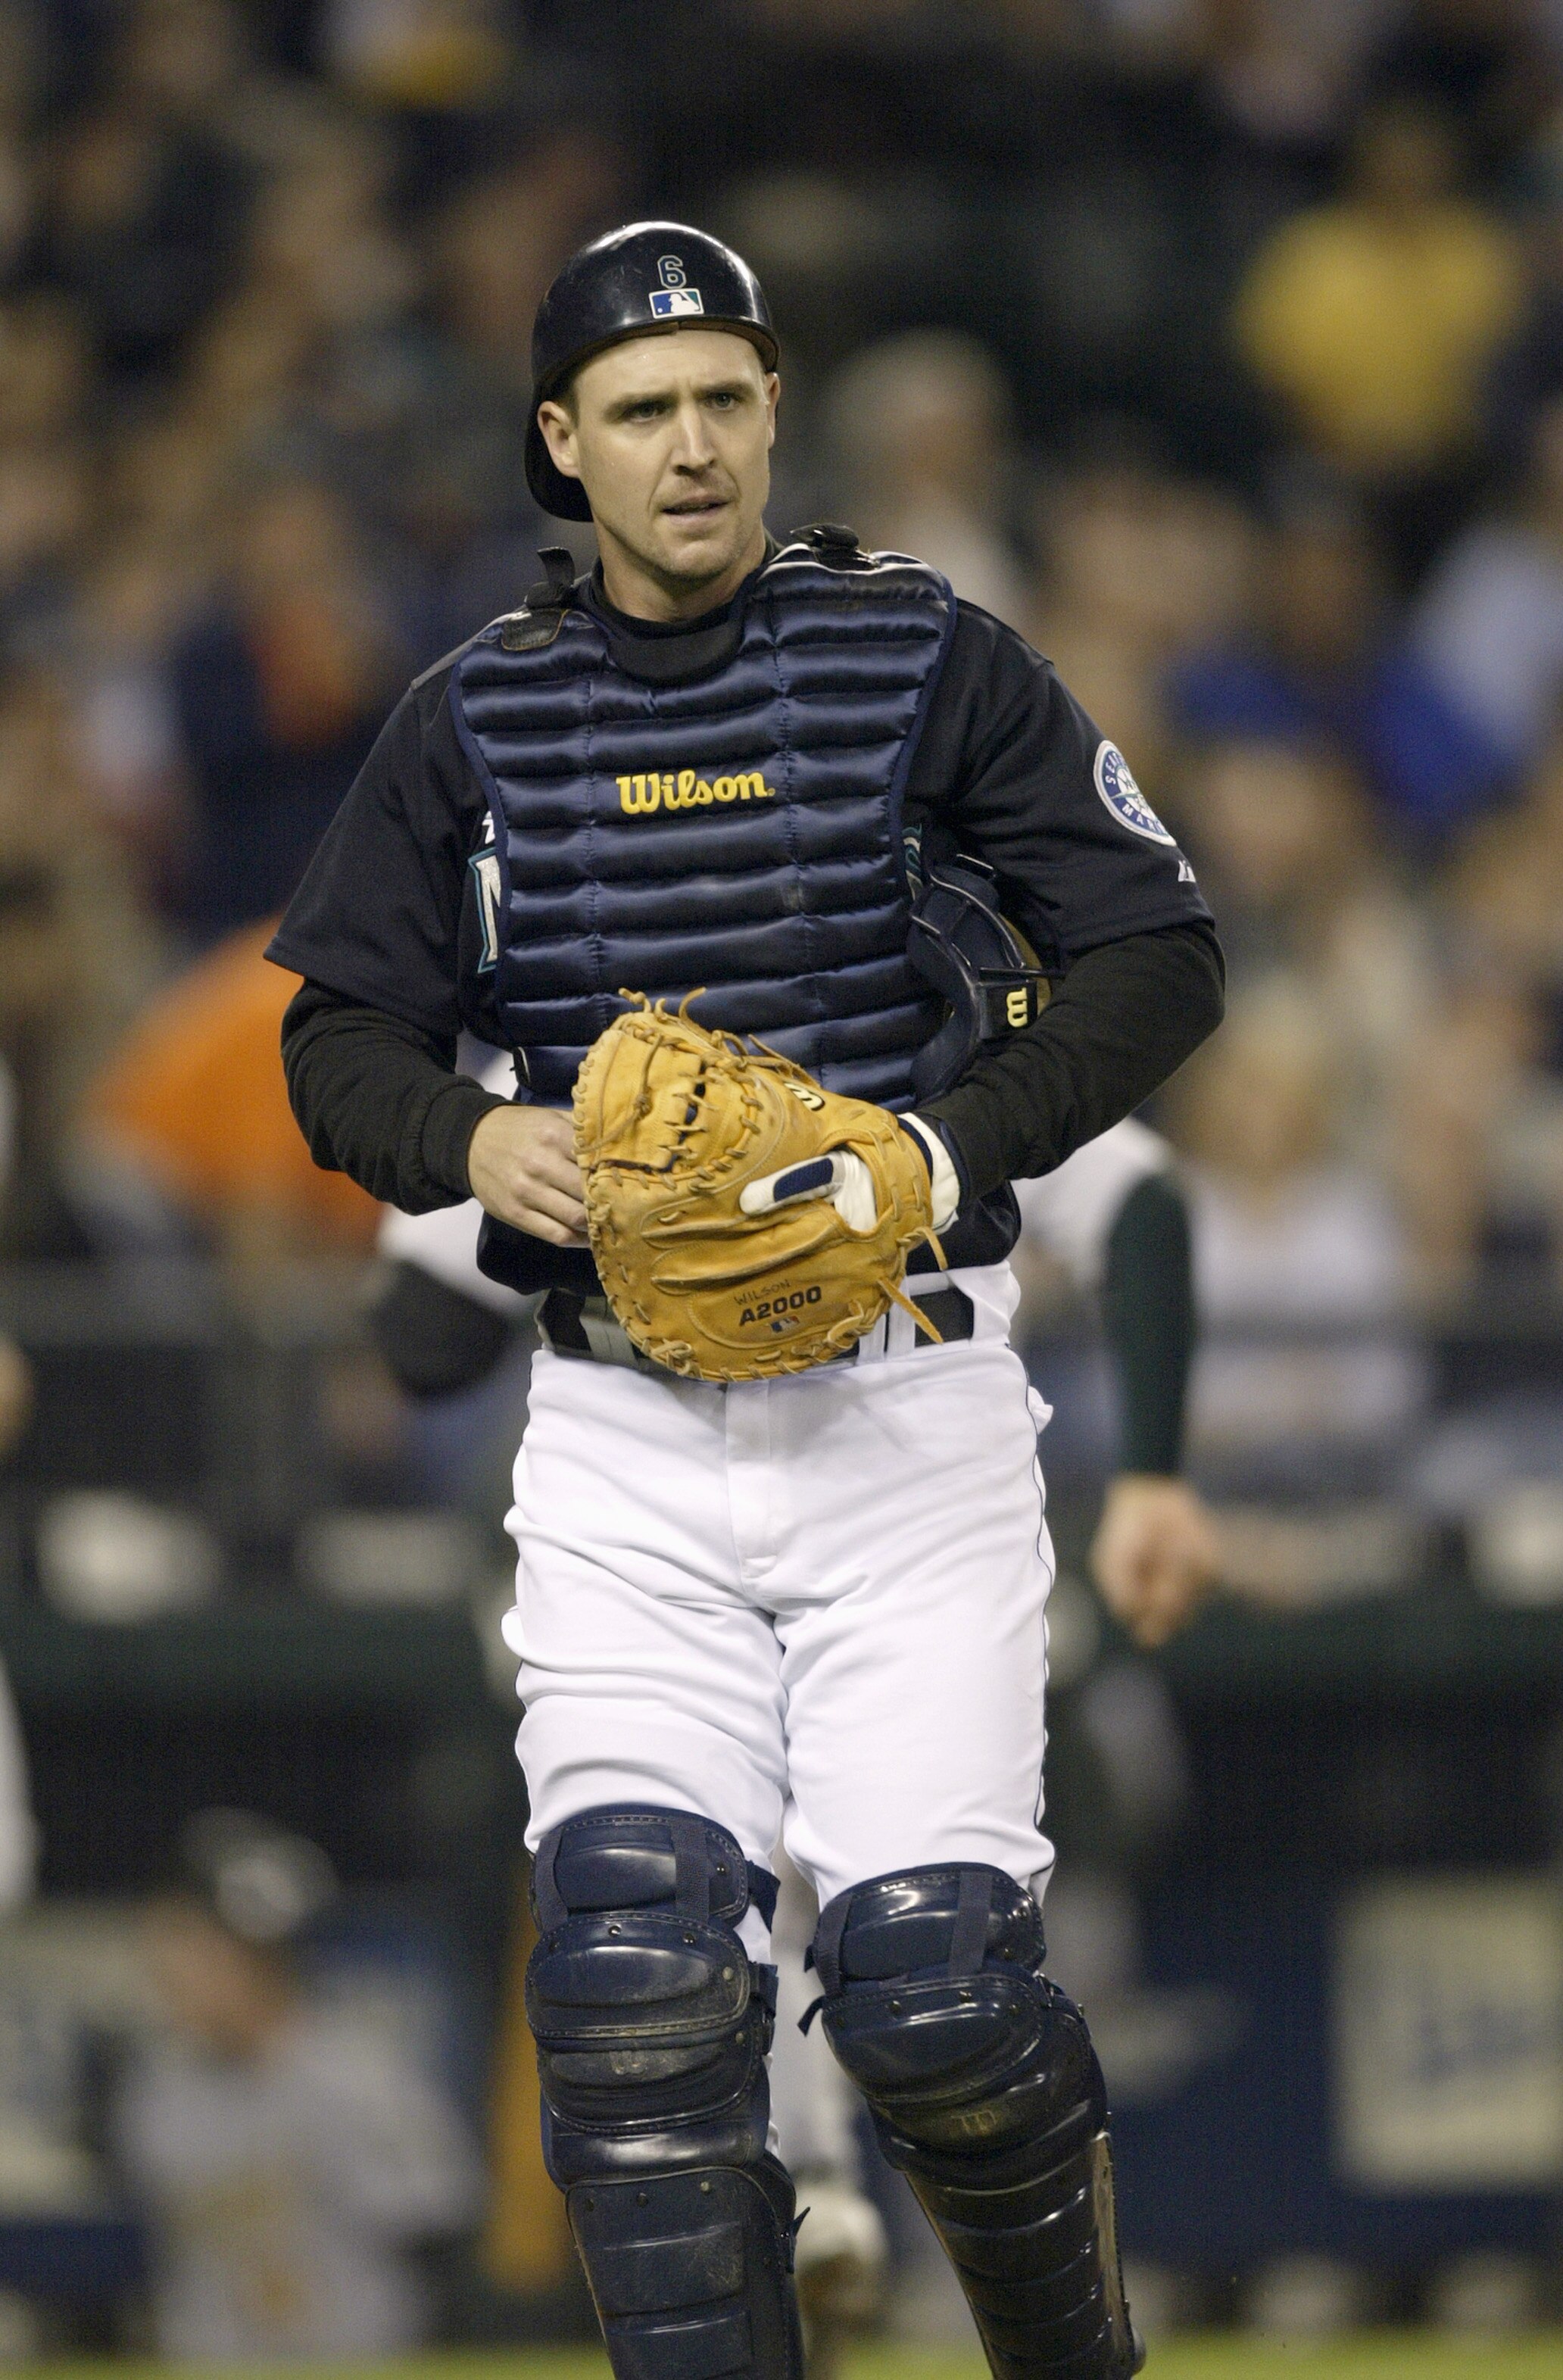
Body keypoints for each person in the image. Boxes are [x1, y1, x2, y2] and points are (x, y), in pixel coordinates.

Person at [270, 222, 1224, 2380]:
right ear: (560, 442)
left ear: (774, 409)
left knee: (940, 1994)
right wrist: (464, 1137)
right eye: (639, 410)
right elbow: (338, 1037)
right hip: (618, 1433)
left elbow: (1165, 957)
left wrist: (938, 1142)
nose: (689, 448)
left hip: (907, 1406)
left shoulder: (925, 657)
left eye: (723, 397)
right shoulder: (474, 714)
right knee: (633, 2006)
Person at [369, 1103, 1221, 2375]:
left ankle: (901, 2211)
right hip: (650, 1490)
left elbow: (421, 1336)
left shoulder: (909, 1018)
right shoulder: (552, 1036)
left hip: (913, 1482)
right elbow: (423, 1330)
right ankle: (820, 2173)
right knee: (671, 1954)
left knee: (940, 1974)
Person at [115, 1811, 481, 2358]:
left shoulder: (357, 2079)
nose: (168, 1965)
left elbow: (444, 2249)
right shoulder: (156, 2092)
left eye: (190, 1940)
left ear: (254, 1954)